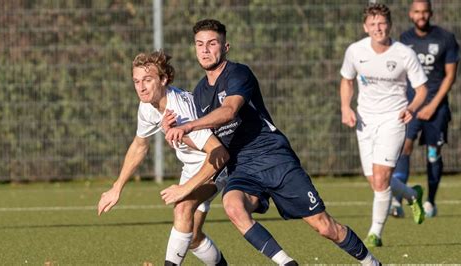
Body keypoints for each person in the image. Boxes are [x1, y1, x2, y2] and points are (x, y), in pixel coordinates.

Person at [163, 19, 380, 265]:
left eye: (212, 43)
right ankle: (287, 263)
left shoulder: (238, 73)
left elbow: (229, 111)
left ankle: (371, 262)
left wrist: (189, 125)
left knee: (325, 227)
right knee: (233, 206)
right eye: (199, 44)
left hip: (274, 158)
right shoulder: (199, 92)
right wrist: (177, 135)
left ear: (225, 47)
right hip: (242, 167)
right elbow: (208, 140)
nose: (204, 49)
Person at [97, 50, 229, 266]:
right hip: (192, 167)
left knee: (182, 207)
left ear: (164, 79)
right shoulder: (147, 106)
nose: (141, 87)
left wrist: (185, 188)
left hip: (216, 166)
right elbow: (140, 145)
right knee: (193, 237)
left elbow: (218, 152)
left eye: (147, 80)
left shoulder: (180, 109)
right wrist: (117, 187)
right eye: (136, 81)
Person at [340, 3, 428, 247]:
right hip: (365, 122)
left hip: (394, 119)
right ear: (365, 27)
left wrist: (411, 108)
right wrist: (345, 107)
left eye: (382, 24)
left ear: (389, 25)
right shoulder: (355, 51)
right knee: (376, 181)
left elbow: (422, 90)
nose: (378, 28)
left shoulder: (403, 53)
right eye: (373, 24)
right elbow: (346, 80)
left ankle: (374, 234)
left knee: (380, 180)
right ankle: (412, 195)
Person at [390, 0, 460, 218]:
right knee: (404, 147)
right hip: (411, 104)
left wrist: (432, 105)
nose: (421, 15)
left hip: (436, 107)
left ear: (431, 13)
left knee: (433, 153)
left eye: (425, 11)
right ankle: (398, 200)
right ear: (411, 14)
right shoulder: (404, 40)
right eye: (417, 12)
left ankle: (430, 201)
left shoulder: (445, 38)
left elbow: (450, 76)